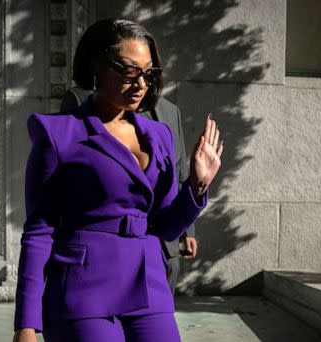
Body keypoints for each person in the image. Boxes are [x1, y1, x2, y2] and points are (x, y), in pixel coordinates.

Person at [13, 19, 223, 342]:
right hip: (83, 289)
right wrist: (26, 326)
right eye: (129, 70)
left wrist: (197, 186)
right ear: (95, 64)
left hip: (149, 286)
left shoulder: (159, 135)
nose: (141, 83)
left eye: (149, 73)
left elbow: (165, 226)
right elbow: (39, 231)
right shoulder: (58, 134)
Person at [60, 87, 198, 296]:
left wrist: (188, 229)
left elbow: (179, 172)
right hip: (111, 249)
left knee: (160, 317)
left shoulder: (171, 110)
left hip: (164, 245)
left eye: (150, 68)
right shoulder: (84, 100)